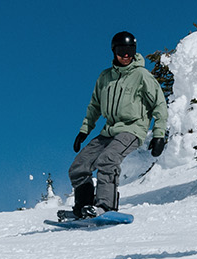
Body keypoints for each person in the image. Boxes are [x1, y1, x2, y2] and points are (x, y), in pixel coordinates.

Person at [69, 31, 168, 218]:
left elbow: (159, 104)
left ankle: (105, 206)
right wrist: (84, 131)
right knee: (79, 166)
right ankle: (84, 207)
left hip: (132, 129)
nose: (126, 55)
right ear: (114, 51)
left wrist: (158, 135)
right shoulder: (105, 77)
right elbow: (94, 106)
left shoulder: (141, 75)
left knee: (108, 160)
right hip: (109, 131)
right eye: (122, 50)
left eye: (130, 51)